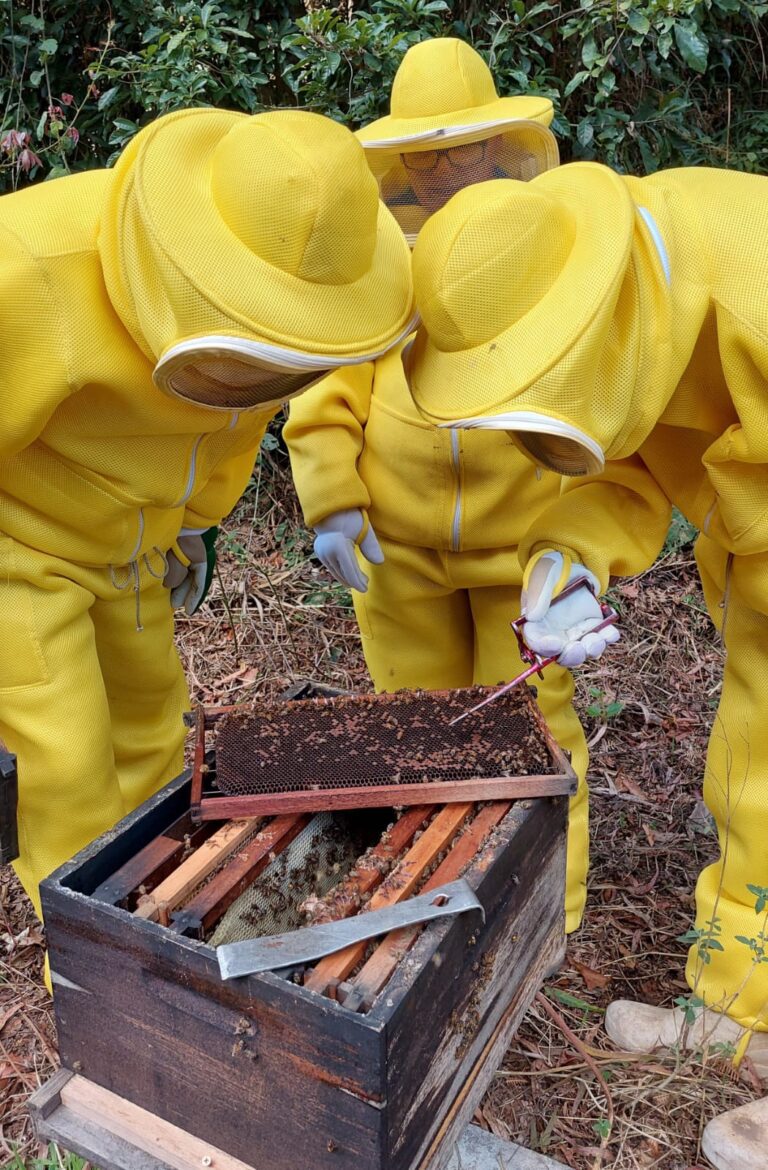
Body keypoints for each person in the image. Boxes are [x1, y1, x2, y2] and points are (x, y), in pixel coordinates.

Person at [406, 164, 768, 1169]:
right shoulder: (622, 283)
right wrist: (563, 563)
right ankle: (745, 1013)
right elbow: (629, 459)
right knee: (753, 780)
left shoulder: (751, 298)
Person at [0, 105, 414, 962]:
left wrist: (194, 527)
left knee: (153, 725)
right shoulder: (29, 273)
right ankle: (93, 976)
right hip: (20, 547)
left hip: (133, 547)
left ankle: (169, 908)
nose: (267, 383)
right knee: (65, 762)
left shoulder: (283, 301)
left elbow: (226, 429)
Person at [285, 37, 595, 934]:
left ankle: (549, 912)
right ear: (395, 161)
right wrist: (331, 496)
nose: (442, 169)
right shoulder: (376, 264)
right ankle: (431, 902)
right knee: (416, 728)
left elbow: (585, 398)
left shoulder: (546, 251)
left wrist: (576, 541)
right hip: (401, 551)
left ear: (500, 148)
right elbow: (328, 381)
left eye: (460, 149)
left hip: (518, 555)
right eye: (422, 153)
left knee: (532, 731)